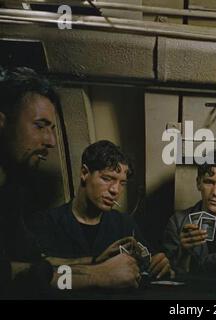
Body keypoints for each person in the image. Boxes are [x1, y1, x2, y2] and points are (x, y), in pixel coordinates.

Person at [0, 67, 141, 296]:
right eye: (40, 125)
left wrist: (94, 261)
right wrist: (99, 275)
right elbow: (19, 279)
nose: (52, 140)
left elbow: (36, 267)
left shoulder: (10, 195)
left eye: (53, 128)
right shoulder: (44, 220)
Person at [29, 140, 173, 280]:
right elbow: (39, 273)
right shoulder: (47, 222)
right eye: (107, 178)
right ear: (85, 173)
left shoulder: (124, 224)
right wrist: (96, 262)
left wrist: (161, 266)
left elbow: (151, 263)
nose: (115, 190)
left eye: (122, 183)